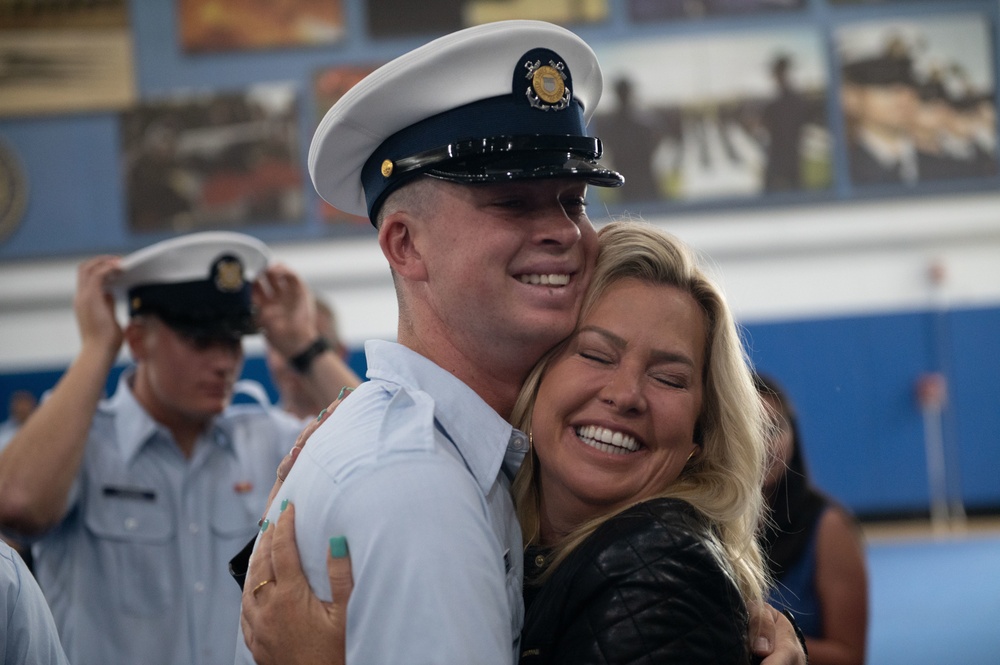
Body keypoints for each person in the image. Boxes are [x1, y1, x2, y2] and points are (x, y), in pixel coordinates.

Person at [237, 19, 806, 665]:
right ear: (405, 244)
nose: (562, 231)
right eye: (513, 204)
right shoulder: (421, 488)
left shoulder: (449, 461)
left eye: (573, 199)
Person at [0, 231, 347, 665]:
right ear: (139, 340)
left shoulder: (266, 441)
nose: (223, 363)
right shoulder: (83, 445)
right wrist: (96, 347)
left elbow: (379, 456)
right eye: (201, 342)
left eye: (233, 341)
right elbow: (15, 503)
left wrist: (304, 344)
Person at [756, 373, 868, 665]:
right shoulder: (701, 527)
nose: (765, 444)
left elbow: (850, 657)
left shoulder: (828, 527)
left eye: (774, 429)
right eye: (749, 428)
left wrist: (768, 641)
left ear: (793, 435)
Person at [265, 296, 360, 420]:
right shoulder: (245, 432)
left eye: (311, 342)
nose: (294, 357)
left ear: (341, 353)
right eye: (282, 345)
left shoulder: (370, 425)